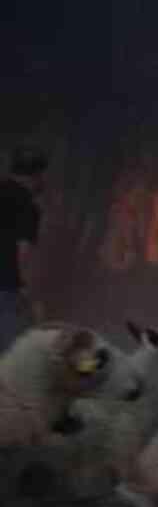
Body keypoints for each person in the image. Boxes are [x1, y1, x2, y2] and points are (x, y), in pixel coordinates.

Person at [0, 146, 48, 353]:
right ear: (35, 176)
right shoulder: (28, 206)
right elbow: (23, 252)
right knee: (12, 350)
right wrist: (27, 293)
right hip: (6, 287)